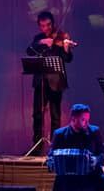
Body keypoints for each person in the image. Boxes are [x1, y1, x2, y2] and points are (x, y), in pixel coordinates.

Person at [49, 104, 104, 191]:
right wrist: (52, 163)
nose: (87, 123)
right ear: (73, 119)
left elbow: (102, 152)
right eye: (83, 120)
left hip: (90, 173)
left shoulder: (94, 131)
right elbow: (51, 154)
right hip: (69, 174)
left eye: (88, 119)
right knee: (67, 180)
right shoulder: (60, 134)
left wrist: (96, 160)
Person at [27, 11, 74, 154]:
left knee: (55, 116)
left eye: (48, 25)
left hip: (56, 82)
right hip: (40, 82)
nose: (45, 29)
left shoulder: (61, 37)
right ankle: (37, 147)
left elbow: (68, 59)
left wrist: (66, 47)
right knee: (37, 115)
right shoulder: (38, 38)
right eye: (42, 26)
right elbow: (29, 51)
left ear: (52, 24)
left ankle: (55, 148)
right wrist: (42, 42)